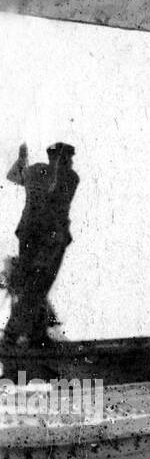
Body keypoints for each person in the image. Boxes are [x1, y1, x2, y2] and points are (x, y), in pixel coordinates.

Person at [4, 142, 79, 346]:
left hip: (29, 234)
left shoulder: (35, 171)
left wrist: (22, 160)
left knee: (32, 285)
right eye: (67, 158)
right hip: (50, 238)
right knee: (37, 286)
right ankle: (14, 334)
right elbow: (53, 198)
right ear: (61, 159)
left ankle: (36, 334)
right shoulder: (70, 177)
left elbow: (12, 176)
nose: (70, 162)